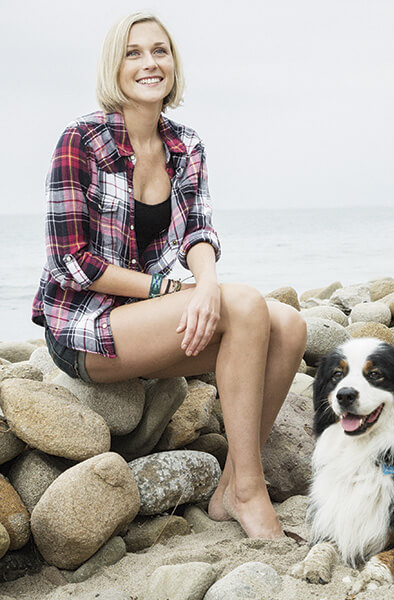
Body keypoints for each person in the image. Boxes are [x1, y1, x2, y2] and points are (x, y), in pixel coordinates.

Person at [31, 11, 307, 540]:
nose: (149, 63)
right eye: (134, 53)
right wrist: (164, 289)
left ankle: (231, 488)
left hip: (150, 321)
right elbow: (71, 261)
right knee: (246, 304)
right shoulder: (80, 142)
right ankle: (253, 491)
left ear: (173, 64)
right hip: (84, 327)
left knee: (289, 325)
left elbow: (198, 232)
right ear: (114, 66)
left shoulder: (186, 145)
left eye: (160, 51)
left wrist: (204, 286)